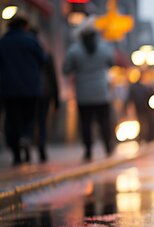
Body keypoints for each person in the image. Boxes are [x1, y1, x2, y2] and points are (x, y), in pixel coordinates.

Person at [63, 27, 114, 161]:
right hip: (101, 91)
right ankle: (108, 146)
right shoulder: (104, 48)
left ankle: (88, 150)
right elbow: (111, 62)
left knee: (86, 122)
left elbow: (66, 69)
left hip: (83, 92)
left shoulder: (74, 50)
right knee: (104, 121)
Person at [0, 15, 45, 166]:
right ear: (24, 26)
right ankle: (26, 137)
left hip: (9, 88)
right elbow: (43, 60)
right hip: (30, 87)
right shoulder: (31, 41)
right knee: (29, 117)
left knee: (12, 120)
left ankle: (16, 154)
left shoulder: (3, 42)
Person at [31, 28, 59, 163]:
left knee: (27, 120)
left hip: (25, 92)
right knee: (41, 121)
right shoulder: (44, 53)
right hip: (44, 91)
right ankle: (41, 145)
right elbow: (53, 77)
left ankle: (25, 149)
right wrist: (57, 99)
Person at [126, 71, 154, 142]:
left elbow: (129, 99)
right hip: (144, 108)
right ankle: (145, 137)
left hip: (139, 107)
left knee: (141, 123)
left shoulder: (134, 87)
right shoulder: (144, 87)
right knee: (144, 123)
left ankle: (142, 138)